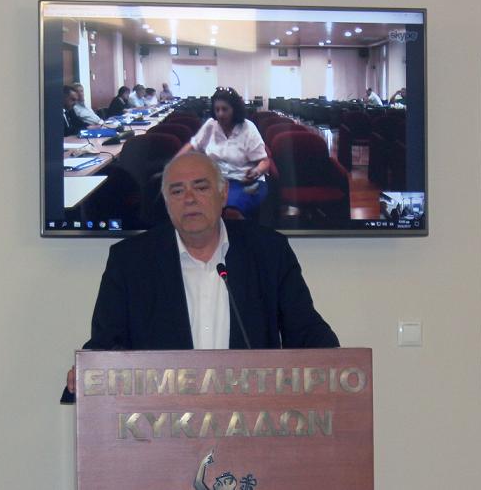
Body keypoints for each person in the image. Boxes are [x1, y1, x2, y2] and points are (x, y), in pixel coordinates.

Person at [61, 152, 338, 402]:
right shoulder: (130, 261)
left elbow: (306, 332)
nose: (189, 199)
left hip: (253, 420)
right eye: (177, 190)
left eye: (201, 187)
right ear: (167, 202)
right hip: (161, 423)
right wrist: (90, 371)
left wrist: (339, 365)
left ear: (223, 193)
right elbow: (107, 343)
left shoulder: (268, 251)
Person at [176, 87, 270, 218]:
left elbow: (265, 162)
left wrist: (256, 171)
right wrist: (173, 166)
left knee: (230, 210)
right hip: (216, 180)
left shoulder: (248, 128)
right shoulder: (211, 125)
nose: (220, 114)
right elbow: (192, 145)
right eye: (217, 109)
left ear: (234, 110)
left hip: (244, 182)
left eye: (224, 109)